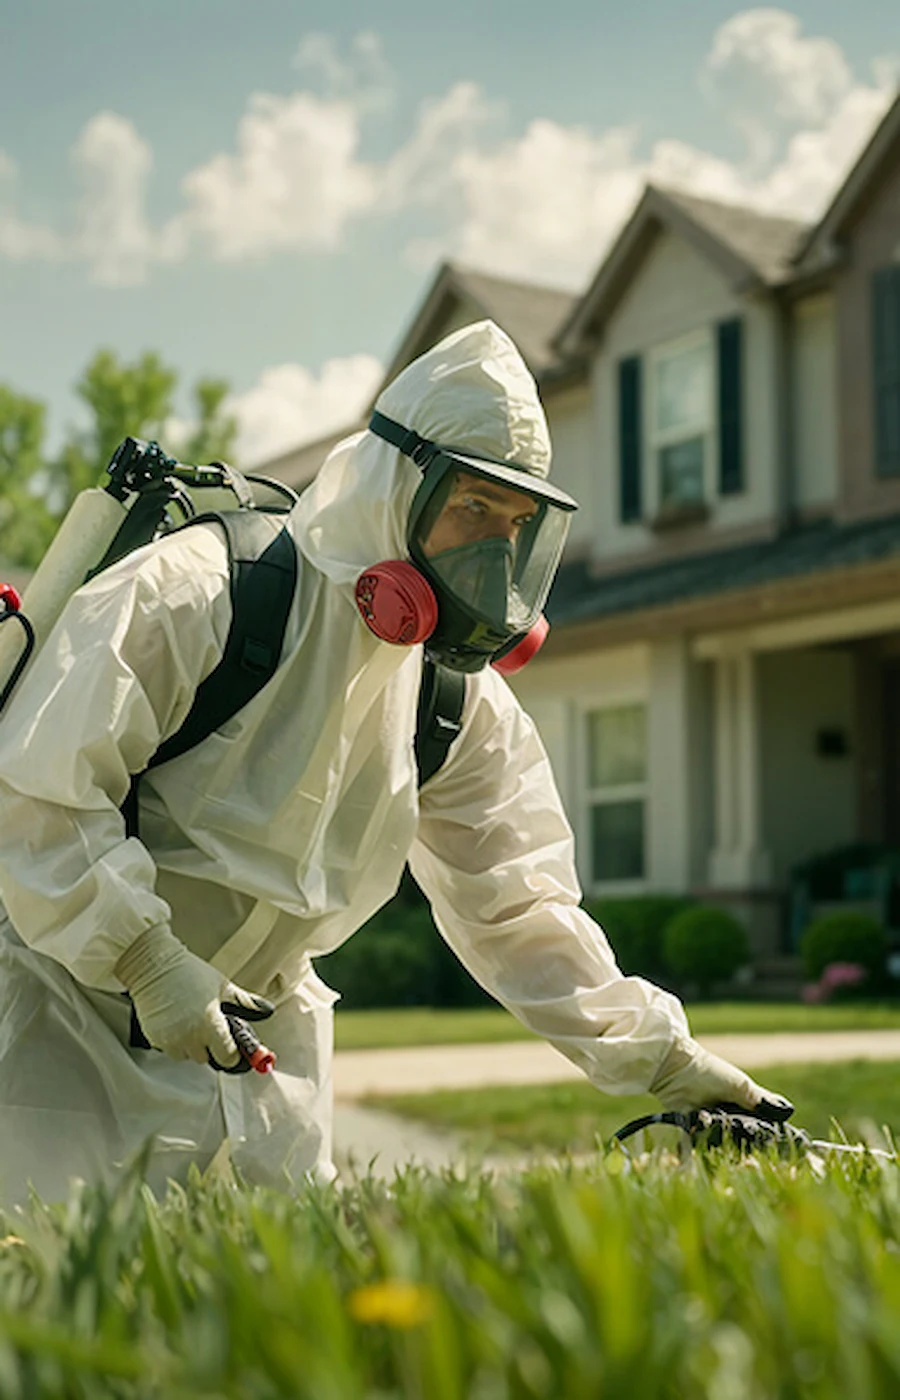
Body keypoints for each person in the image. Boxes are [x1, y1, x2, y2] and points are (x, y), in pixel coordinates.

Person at [0, 321, 791, 1206]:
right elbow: (34, 794)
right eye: (473, 509)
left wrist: (667, 1061)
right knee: (56, 1271)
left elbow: (517, 907)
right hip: (64, 1029)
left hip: (263, 1049)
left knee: (279, 1285)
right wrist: (144, 957)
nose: (494, 553)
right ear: (396, 486)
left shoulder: (449, 697)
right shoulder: (198, 592)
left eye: (516, 525)